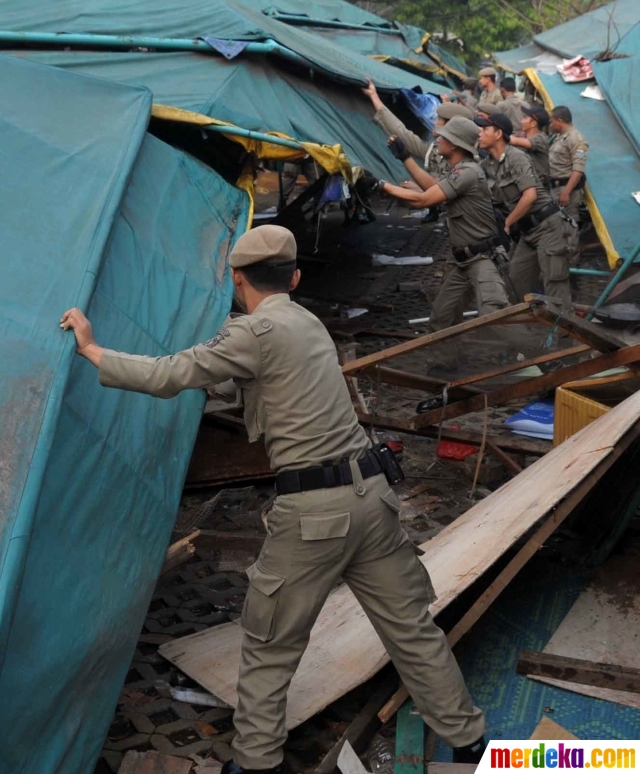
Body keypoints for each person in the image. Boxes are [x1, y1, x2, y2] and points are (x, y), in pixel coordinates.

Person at [60, 224, 487, 774]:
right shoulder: (306, 322)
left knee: (269, 646)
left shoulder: (253, 332)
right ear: (296, 277)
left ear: (236, 278)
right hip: (373, 497)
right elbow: (258, 383)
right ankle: (471, 740)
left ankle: (257, 763)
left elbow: (168, 375)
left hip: (315, 515)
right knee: (410, 630)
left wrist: (91, 347)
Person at [361, 117, 510, 330]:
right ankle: (446, 360)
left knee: (496, 319)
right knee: (441, 322)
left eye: (444, 136)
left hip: (483, 259)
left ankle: (519, 358)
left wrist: (381, 185)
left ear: (455, 144)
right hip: (462, 261)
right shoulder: (459, 170)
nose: (437, 139)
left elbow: (424, 199)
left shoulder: (467, 172)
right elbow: (430, 187)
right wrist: (405, 157)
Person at [475, 114, 572, 306]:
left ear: (498, 134)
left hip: (549, 227)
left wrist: (507, 224)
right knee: (515, 281)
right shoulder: (488, 165)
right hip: (528, 231)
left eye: (484, 129)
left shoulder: (516, 157)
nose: (480, 134)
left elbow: (530, 196)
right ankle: (526, 332)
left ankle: (563, 335)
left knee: (555, 284)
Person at [361, 78, 473, 184]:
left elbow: (439, 194)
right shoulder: (436, 151)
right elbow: (404, 134)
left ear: (451, 127)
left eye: (439, 119)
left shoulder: (466, 168)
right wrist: (374, 96)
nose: (434, 122)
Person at [548, 106, 589, 266]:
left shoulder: (576, 139)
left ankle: (571, 266)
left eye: (552, 121)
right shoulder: (560, 137)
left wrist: (566, 192)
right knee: (559, 227)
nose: (551, 124)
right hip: (556, 188)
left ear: (560, 120)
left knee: (569, 229)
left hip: (567, 190)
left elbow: (577, 170)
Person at [509, 106, 550, 186]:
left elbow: (515, 141)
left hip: (539, 185)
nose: (521, 121)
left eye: (525, 118)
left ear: (533, 123)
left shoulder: (541, 138)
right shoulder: (523, 136)